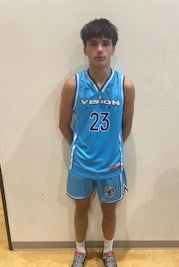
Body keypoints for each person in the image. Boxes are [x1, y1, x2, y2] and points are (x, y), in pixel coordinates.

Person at [59, 18, 135, 267]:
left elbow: (126, 127)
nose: (99, 49)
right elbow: (63, 125)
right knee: (80, 209)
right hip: (81, 163)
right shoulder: (73, 84)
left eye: (105, 43)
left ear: (113, 48)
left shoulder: (126, 85)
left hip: (112, 164)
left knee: (109, 210)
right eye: (93, 44)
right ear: (85, 49)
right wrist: (81, 148)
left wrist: (109, 148)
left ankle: (108, 251)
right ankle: (80, 251)